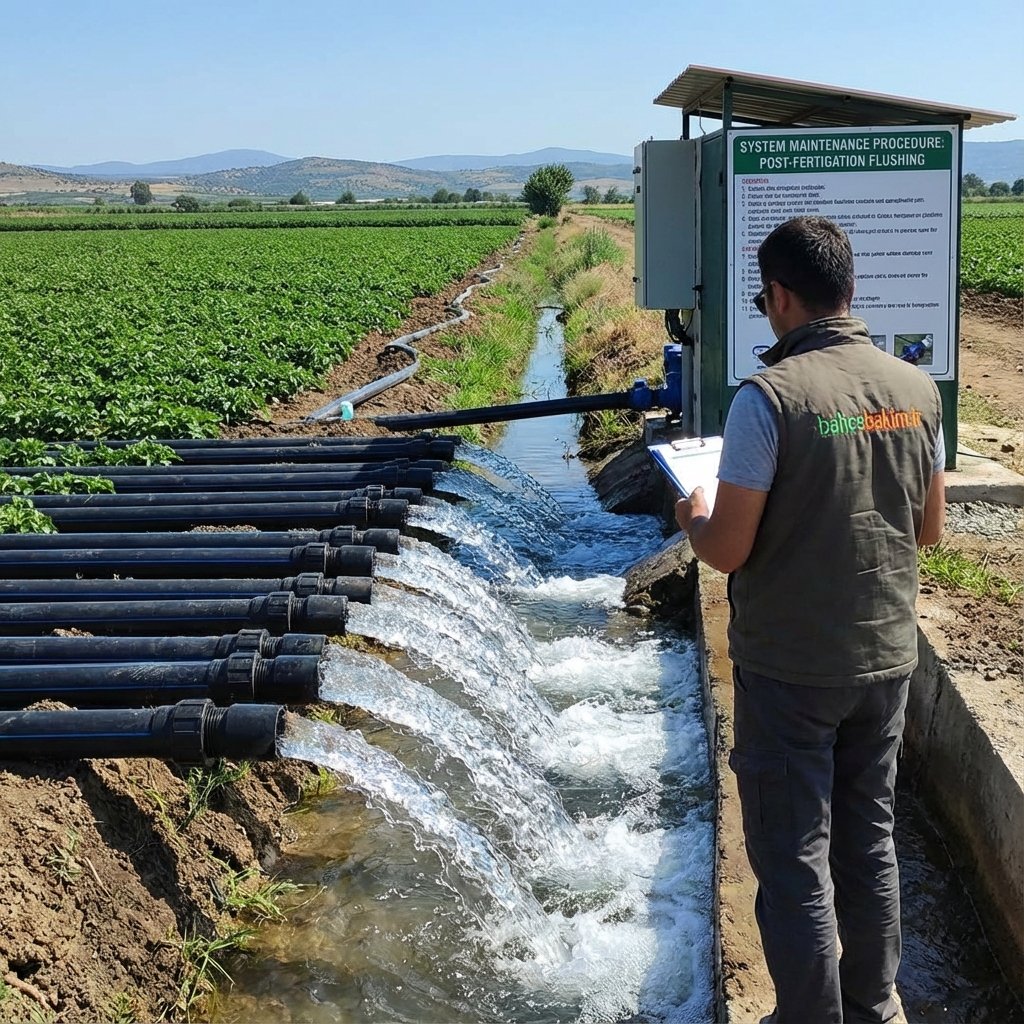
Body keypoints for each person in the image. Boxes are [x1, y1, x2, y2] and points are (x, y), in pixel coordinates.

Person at [675, 216, 945, 1024]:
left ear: (783, 297)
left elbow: (727, 549)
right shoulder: (915, 389)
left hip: (793, 669)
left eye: (764, 299)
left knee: (794, 859)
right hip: (887, 657)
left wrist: (694, 509)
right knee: (868, 841)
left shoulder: (769, 401)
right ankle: (875, 1005)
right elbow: (928, 530)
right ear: (849, 290)